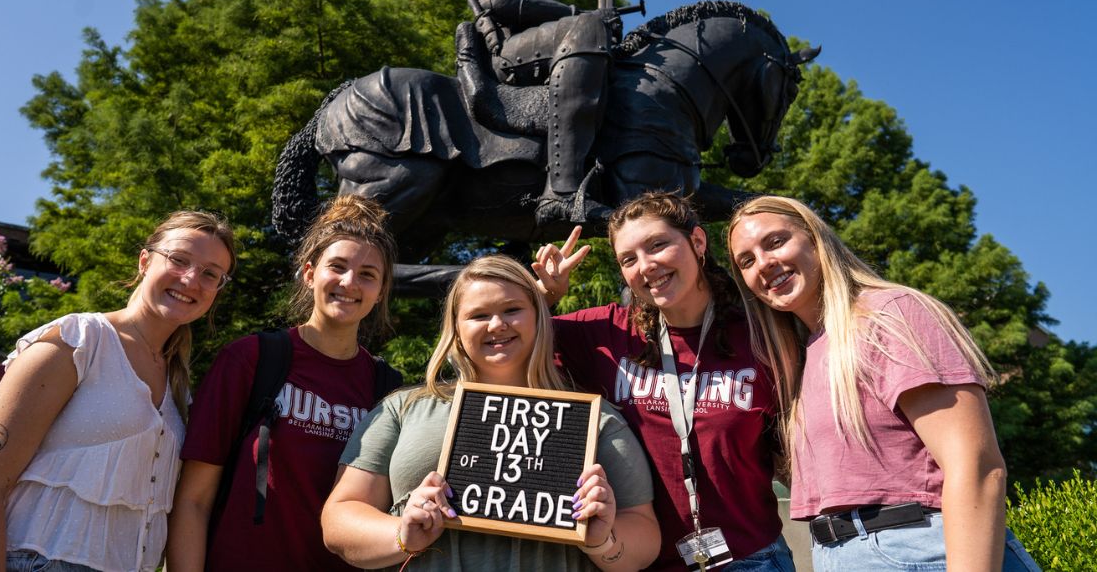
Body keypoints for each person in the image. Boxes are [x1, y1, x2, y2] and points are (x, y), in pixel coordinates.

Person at [726, 194, 1040, 571]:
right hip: (836, 555)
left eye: (776, 242)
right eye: (747, 260)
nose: (764, 263)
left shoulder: (891, 314)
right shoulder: (804, 358)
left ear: (814, 238)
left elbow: (976, 465)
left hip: (918, 550)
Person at [322, 254, 660, 570]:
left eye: (512, 309)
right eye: (479, 315)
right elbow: (339, 521)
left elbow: (645, 534)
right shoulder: (403, 408)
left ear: (539, 316)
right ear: (456, 327)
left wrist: (603, 540)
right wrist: (401, 535)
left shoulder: (593, 420)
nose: (497, 325)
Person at [0, 211, 237, 571]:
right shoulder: (78, 342)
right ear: (145, 261)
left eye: (211, 273)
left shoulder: (181, 387)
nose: (192, 279)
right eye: (178, 259)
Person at [534, 191, 796, 571]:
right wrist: (546, 297)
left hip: (751, 558)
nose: (646, 266)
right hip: (642, 561)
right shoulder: (603, 332)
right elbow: (511, 340)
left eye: (657, 245)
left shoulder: (763, 332)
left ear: (698, 241)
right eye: (628, 259)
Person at [167, 196, 399, 571]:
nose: (349, 282)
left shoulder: (388, 389)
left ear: (381, 290)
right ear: (310, 274)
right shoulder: (251, 359)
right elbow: (193, 500)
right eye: (336, 267)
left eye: (368, 274)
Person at [461, 0, 619, 225]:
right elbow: (504, 1)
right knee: (585, 29)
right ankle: (562, 191)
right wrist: (578, 12)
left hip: (541, 41)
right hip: (508, 50)